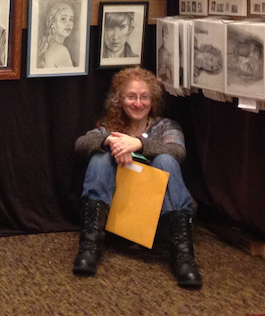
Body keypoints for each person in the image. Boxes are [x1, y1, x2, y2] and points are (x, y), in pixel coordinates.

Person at [72, 67, 202, 288]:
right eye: (131, 97)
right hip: (119, 219)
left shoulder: (165, 126)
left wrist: (139, 145)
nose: (138, 103)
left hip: (160, 222)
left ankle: (183, 256)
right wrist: (111, 142)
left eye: (144, 97)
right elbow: (80, 144)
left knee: (166, 160)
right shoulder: (109, 126)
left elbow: (178, 151)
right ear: (120, 99)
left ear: (153, 100)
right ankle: (89, 246)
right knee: (100, 157)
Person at [37, 2, 74, 68]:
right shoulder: (61, 51)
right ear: (52, 23)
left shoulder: (49, 46)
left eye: (71, 19)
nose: (69, 24)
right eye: (63, 19)